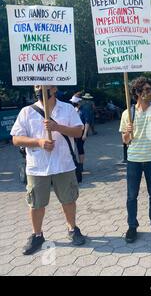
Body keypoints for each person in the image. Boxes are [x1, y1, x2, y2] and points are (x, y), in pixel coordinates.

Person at [10, 85, 86, 255]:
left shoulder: (67, 108)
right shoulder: (26, 112)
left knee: (68, 200)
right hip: (37, 167)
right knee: (36, 204)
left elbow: (78, 131)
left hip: (63, 164)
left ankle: (72, 229)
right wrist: (39, 142)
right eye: (37, 86)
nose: (40, 89)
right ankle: (37, 235)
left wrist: (57, 127)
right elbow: (16, 139)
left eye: (45, 86)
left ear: (54, 88)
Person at [119, 77, 151, 243]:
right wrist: (127, 132)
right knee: (132, 195)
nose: (149, 92)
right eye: (145, 90)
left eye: (150, 89)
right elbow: (125, 141)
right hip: (134, 160)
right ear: (137, 93)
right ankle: (132, 226)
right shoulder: (128, 113)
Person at [70, 95, 90, 170]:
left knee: (80, 148)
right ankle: (75, 163)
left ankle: (81, 165)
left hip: (81, 131)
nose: (73, 103)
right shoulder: (74, 109)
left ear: (79, 102)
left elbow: (87, 122)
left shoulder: (84, 110)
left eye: (74, 102)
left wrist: (85, 134)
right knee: (72, 147)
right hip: (73, 131)